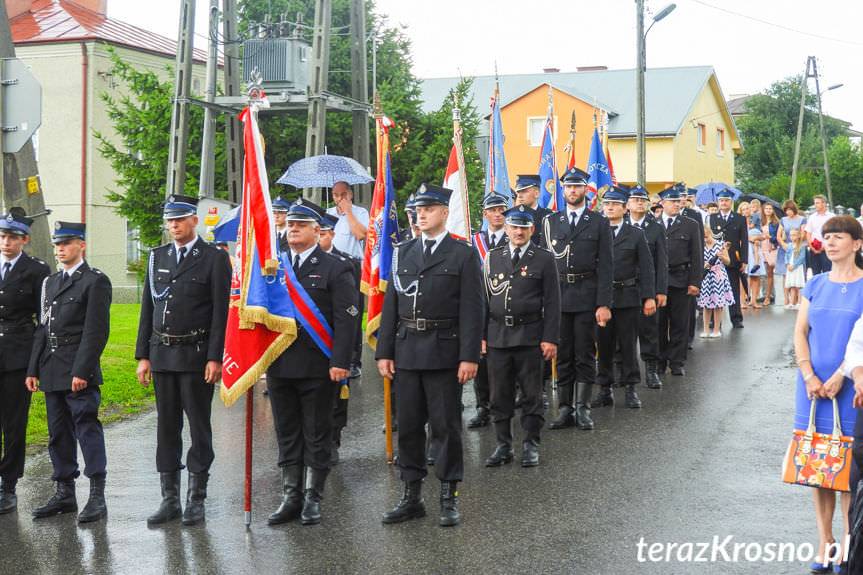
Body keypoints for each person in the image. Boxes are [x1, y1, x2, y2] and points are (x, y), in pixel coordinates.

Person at [377, 183, 483, 528]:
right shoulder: (403, 252)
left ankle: (448, 496)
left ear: (443, 212)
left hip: (443, 350)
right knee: (407, 427)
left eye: (428, 209)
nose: (420, 215)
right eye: (417, 210)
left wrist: (469, 356)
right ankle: (411, 497)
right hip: (407, 350)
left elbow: (472, 309)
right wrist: (384, 351)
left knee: (446, 427)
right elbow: (391, 305)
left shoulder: (462, 253)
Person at [136, 195, 231, 527]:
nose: (173, 225)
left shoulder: (213, 259)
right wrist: (143, 356)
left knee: (199, 427)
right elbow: (147, 310)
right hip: (162, 355)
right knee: (166, 428)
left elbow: (221, 313)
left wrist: (215, 357)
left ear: (194, 220)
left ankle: (196, 498)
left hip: (195, 355)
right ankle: (169, 499)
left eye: (179, 219)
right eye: (169, 220)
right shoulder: (157, 257)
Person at [265, 199, 357, 526]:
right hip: (280, 364)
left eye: (300, 225)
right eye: (290, 225)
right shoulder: (272, 267)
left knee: (317, 432)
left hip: (318, 366)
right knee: (287, 432)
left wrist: (341, 361)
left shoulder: (335, 267)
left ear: (317, 231)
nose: (292, 230)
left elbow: (347, 320)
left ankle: (313, 496)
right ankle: (290, 495)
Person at [26, 222, 111, 524]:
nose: (60, 249)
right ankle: (65, 493)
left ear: (82, 245)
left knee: (86, 427)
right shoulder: (50, 282)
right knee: (58, 432)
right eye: (57, 244)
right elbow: (43, 328)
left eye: (67, 243)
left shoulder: (94, 281)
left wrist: (83, 370)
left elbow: (96, 331)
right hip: (51, 366)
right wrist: (33, 367)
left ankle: (97, 496)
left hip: (78, 368)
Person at [793, 215, 863, 573]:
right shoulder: (815, 284)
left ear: (857, 244)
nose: (831, 242)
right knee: (818, 467)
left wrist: (839, 375)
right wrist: (808, 374)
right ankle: (825, 541)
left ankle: (851, 542)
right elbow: (800, 332)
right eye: (827, 236)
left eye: (839, 236)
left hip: (852, 387)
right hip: (811, 388)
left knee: (849, 469)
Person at [482, 205, 560, 467]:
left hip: (530, 335)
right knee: (499, 395)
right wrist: (481, 336)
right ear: (506, 228)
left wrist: (550, 338)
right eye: (514, 227)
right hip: (497, 336)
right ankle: (503, 445)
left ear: (532, 230)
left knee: (531, 394)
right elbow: (484, 299)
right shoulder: (492, 257)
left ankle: (530, 443)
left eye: (524, 227)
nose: (518, 232)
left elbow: (552, 302)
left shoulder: (544, 258)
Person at [544, 167, 613, 430]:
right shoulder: (551, 223)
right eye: (569, 187)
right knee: (562, 355)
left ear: (586, 189)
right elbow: (544, 266)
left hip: (586, 295)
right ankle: (564, 409)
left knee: (584, 353)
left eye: (577, 186)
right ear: (563, 190)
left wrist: (603, 303)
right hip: (559, 297)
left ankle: (583, 408)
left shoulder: (598, 222)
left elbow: (606, 266)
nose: (573, 191)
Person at [0, 211, 50, 514]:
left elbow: (43, 321)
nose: (6, 242)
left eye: (13, 238)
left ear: (24, 240)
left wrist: (35, 364)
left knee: (14, 424)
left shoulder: (36, 271)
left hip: (18, 354)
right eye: (3, 236)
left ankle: (8, 484)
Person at [592, 186, 655, 409]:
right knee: (604, 345)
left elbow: (647, 268)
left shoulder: (635, 234)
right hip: (601, 298)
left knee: (628, 345)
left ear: (624, 208)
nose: (610, 207)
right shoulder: (596, 232)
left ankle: (630, 389)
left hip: (627, 296)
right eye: (607, 204)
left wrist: (649, 297)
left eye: (615, 204)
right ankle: (605, 389)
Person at [318, 212, 362, 466]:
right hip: (309, 346)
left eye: (324, 233)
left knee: (337, 398)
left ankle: (333, 440)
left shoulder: (346, 263)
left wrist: (352, 354)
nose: (321, 237)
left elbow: (353, 312)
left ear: (332, 235)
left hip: (335, 342)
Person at [467, 192, 509, 429]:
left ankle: (504, 405)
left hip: (505, 305)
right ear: (485, 214)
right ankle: (483, 407)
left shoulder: (514, 238)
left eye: (501, 209)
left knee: (503, 360)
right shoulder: (474, 242)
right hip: (479, 306)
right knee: (481, 360)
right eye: (492, 210)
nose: (497, 214)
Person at [626, 185, 668, 389]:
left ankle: (651, 371)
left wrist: (660, 291)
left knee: (649, 331)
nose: (639, 203)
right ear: (628, 204)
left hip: (646, 288)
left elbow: (661, 262)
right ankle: (621, 373)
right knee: (622, 333)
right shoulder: (618, 225)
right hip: (624, 288)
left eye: (642, 200)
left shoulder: (656, 227)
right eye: (635, 199)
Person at [657, 185, 701, 376]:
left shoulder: (690, 225)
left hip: (681, 279)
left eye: (678, 201)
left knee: (679, 323)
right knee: (658, 324)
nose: (677, 204)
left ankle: (676, 361)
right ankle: (659, 361)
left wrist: (695, 282)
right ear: (662, 203)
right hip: (658, 282)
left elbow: (697, 255)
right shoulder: (653, 224)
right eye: (672, 201)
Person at [708, 189, 748, 329]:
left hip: (733, 258)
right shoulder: (711, 218)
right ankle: (714, 319)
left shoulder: (739, 218)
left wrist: (744, 260)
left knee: (733, 289)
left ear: (731, 202)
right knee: (714, 289)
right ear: (718, 202)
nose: (723, 203)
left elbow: (744, 240)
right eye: (721, 200)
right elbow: (708, 238)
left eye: (726, 200)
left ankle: (736, 318)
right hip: (716, 258)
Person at [697, 227, 733, 338]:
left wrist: (722, 257)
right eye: (702, 237)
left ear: (710, 233)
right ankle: (706, 330)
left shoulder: (720, 244)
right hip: (706, 276)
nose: (705, 239)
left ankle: (717, 330)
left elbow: (728, 262)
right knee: (706, 305)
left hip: (718, 275)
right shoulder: (700, 245)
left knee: (718, 304)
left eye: (706, 236)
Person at [326, 181, 369, 260]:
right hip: (330, 261)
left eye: (343, 194)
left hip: (352, 262)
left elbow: (361, 235)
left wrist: (348, 211)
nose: (339, 198)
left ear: (351, 194)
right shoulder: (327, 213)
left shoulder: (361, 212)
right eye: (336, 195)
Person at [779, 200, 807, 305]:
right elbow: (779, 235)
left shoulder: (802, 219)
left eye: (790, 210)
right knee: (786, 275)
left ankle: (798, 301)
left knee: (799, 279)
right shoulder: (783, 220)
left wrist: (797, 242)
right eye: (786, 210)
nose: (788, 212)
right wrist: (784, 245)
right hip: (787, 247)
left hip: (798, 247)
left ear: (794, 209)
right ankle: (787, 300)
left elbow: (803, 233)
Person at [512, 174, 553, 246]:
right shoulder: (511, 216)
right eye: (518, 192)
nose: (519, 196)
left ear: (536, 194)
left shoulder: (549, 217)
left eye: (524, 191)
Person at [805, 195, 836, 276]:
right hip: (814, 250)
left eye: (817, 203)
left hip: (828, 249)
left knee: (828, 273)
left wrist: (825, 246)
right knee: (815, 274)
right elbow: (808, 233)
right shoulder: (812, 217)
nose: (815, 205)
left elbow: (835, 233)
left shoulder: (832, 217)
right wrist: (811, 247)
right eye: (815, 203)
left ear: (824, 203)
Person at [761, 202, 781, 306]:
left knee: (769, 273)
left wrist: (771, 238)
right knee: (761, 274)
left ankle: (768, 297)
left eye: (770, 208)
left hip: (771, 248)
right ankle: (762, 295)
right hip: (760, 248)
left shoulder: (776, 223)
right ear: (763, 210)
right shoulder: (759, 221)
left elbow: (779, 238)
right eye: (766, 208)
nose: (768, 210)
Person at [746, 214, 766, 309]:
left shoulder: (755, 228)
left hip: (754, 252)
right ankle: (744, 300)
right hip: (745, 252)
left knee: (755, 277)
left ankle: (753, 300)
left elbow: (762, 237)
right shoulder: (738, 224)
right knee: (745, 277)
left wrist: (757, 238)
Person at [785, 227, 807, 309]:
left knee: (799, 286)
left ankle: (799, 303)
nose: (792, 237)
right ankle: (791, 303)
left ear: (798, 236)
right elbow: (786, 256)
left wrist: (794, 265)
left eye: (794, 235)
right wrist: (787, 264)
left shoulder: (801, 246)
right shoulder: (789, 245)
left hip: (797, 268)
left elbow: (802, 258)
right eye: (791, 235)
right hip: (790, 267)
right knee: (792, 285)